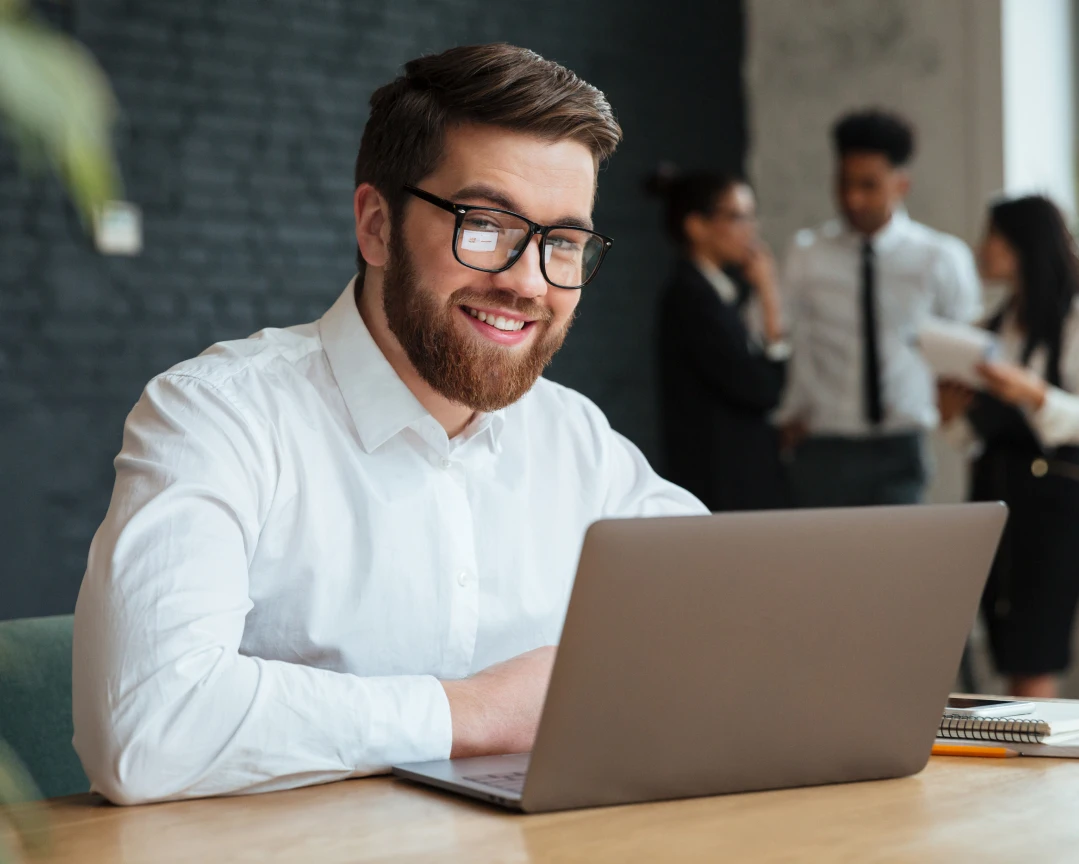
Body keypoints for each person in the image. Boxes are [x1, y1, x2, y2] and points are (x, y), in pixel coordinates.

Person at [72, 44, 706, 805]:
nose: (526, 281)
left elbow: (733, 635)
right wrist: (477, 712)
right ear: (376, 226)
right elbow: (146, 728)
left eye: (562, 243)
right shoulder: (218, 416)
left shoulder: (578, 442)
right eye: (485, 225)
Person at [778, 108, 981, 507]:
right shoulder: (807, 253)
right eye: (844, 184)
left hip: (901, 446)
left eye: (868, 185)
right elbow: (777, 337)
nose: (853, 198)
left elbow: (967, 347)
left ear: (901, 184)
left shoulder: (940, 257)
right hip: (823, 444)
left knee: (899, 566)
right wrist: (783, 413)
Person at [939, 195, 1079, 699]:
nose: (982, 248)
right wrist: (953, 416)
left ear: (1024, 243)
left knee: (1034, 650)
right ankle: (1018, 759)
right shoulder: (986, 328)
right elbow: (970, 440)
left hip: (1057, 499)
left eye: (992, 236)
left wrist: (1033, 393)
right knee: (1003, 638)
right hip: (996, 494)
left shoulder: (1072, 319)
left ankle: (1035, 766)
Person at [650, 169, 790, 511]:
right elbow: (762, 388)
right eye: (738, 217)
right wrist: (769, 293)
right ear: (696, 226)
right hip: (720, 483)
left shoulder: (711, 292)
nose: (751, 230)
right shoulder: (692, 298)